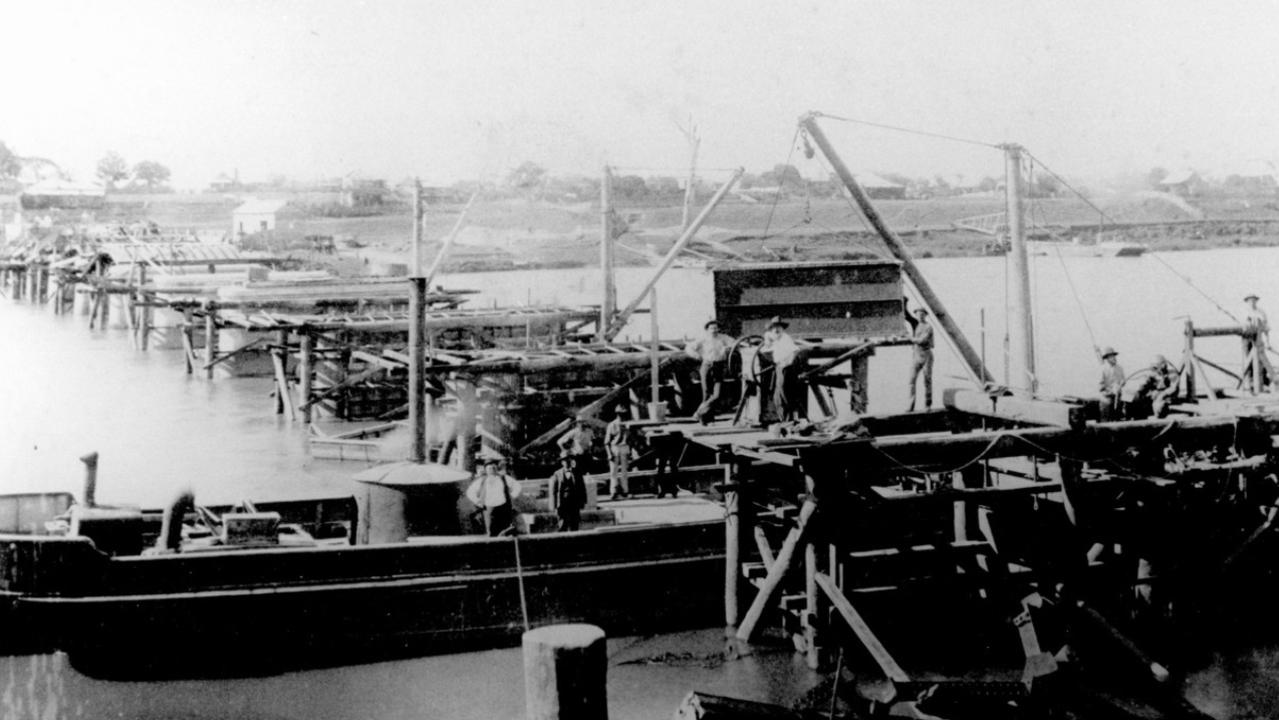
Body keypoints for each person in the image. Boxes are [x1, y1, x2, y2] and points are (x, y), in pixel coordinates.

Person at [685, 319, 736, 424]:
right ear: (707, 330)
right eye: (712, 328)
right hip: (706, 366)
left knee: (717, 394)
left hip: (719, 366)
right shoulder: (703, 339)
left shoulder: (724, 338)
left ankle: (699, 413)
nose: (714, 330)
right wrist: (697, 356)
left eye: (716, 328)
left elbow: (735, 344)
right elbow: (689, 348)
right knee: (706, 394)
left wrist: (727, 348)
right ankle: (706, 420)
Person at [465, 459, 522, 536]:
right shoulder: (482, 480)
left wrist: (512, 495)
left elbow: (517, 486)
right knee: (491, 532)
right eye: (489, 468)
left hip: (503, 508)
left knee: (506, 530)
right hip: (489, 510)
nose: (492, 470)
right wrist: (478, 502)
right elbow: (470, 492)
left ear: (496, 469)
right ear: (486, 470)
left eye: (493, 468)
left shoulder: (504, 478)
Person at [762, 316, 801, 422]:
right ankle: (784, 419)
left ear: (782, 328)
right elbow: (766, 342)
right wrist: (766, 338)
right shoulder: (775, 338)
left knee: (784, 393)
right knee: (777, 396)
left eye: (778, 327)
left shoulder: (785, 338)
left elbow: (796, 350)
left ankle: (788, 419)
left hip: (786, 368)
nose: (776, 329)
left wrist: (788, 362)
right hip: (779, 367)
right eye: (774, 327)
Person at [547, 453, 586, 531]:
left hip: (574, 502)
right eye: (565, 460)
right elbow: (554, 491)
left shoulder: (577, 472)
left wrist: (583, 502)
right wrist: (554, 505)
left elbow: (582, 488)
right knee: (562, 524)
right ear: (562, 462)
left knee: (574, 525)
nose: (567, 462)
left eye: (569, 460)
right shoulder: (557, 473)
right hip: (562, 503)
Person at [1242, 293, 1273, 392]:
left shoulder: (1261, 312)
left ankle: (1263, 382)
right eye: (1250, 301)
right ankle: (1248, 383)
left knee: (1260, 362)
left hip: (1258, 339)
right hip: (1247, 340)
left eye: (1254, 300)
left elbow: (1266, 328)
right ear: (1247, 302)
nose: (1252, 303)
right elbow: (1242, 326)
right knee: (1248, 361)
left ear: (1256, 301)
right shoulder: (1244, 312)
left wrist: (1268, 342)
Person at [907, 307, 934, 411]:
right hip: (916, 355)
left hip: (926, 355)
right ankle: (910, 405)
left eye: (922, 314)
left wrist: (910, 339)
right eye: (918, 314)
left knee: (927, 381)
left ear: (925, 315)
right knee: (911, 380)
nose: (920, 316)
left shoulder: (928, 327)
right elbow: (907, 317)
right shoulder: (915, 324)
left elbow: (922, 340)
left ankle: (928, 405)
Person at [604, 407, 632, 498]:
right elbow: (607, 441)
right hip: (615, 447)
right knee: (613, 471)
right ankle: (613, 491)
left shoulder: (627, 424)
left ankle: (625, 490)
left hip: (625, 447)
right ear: (617, 414)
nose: (622, 415)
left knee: (625, 471)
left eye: (623, 414)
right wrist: (609, 454)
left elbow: (630, 439)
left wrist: (630, 451)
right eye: (620, 414)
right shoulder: (612, 425)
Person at [1098, 346, 1125, 421]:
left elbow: (1123, 380)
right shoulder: (1102, 369)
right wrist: (1110, 391)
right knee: (1107, 418)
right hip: (1107, 399)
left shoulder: (1120, 368)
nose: (1114, 358)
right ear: (1107, 358)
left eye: (1114, 356)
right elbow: (1100, 387)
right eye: (1111, 356)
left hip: (1119, 397)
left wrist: (1122, 383)